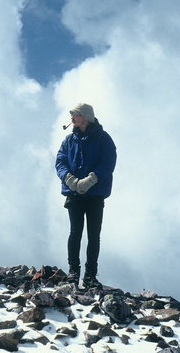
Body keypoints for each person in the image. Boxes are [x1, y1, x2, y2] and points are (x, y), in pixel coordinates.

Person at [55, 103, 116, 288]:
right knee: (75, 233)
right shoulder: (68, 140)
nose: (72, 117)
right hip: (74, 194)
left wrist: (90, 180)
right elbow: (60, 161)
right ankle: (74, 272)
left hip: (95, 194)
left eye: (76, 114)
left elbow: (108, 162)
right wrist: (71, 180)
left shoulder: (104, 139)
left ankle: (90, 275)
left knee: (93, 235)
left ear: (86, 117)